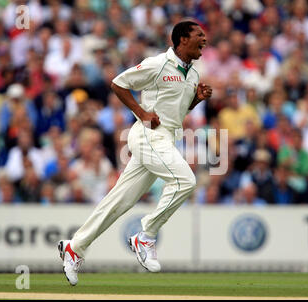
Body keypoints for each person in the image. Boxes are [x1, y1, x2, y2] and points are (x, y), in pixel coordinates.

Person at [58, 21, 212, 286]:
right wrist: (141, 113)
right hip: (148, 135)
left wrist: (196, 100)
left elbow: (178, 111)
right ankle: (146, 235)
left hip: (166, 139)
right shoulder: (157, 64)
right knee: (186, 181)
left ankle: (75, 246)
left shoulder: (193, 74)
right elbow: (119, 83)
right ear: (182, 39)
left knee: (119, 201)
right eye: (199, 34)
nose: (204, 39)